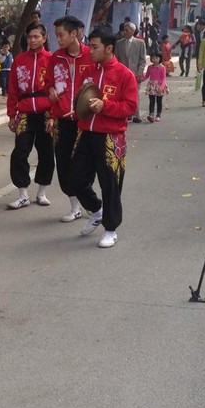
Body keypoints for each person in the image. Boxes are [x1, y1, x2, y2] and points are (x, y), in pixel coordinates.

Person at [71, 26, 138, 248]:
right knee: (75, 179)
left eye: (95, 46)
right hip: (86, 133)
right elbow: (81, 97)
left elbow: (130, 107)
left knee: (110, 184)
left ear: (109, 48)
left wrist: (105, 105)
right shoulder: (88, 71)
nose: (90, 50)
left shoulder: (124, 75)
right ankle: (97, 210)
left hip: (110, 137)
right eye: (90, 45)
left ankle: (111, 229)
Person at [44, 15, 94, 223]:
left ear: (74, 33)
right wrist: (51, 90)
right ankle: (74, 206)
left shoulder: (91, 56)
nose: (58, 39)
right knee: (63, 163)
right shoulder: (56, 58)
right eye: (56, 35)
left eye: (61, 34)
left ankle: (89, 203)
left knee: (85, 164)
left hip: (86, 120)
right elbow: (47, 83)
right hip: (63, 119)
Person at [6, 22, 54, 210]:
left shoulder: (52, 60)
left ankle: (41, 192)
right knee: (20, 152)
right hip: (25, 111)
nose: (33, 40)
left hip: (46, 112)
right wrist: (11, 114)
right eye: (29, 37)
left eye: (36, 36)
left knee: (46, 152)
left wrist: (54, 115)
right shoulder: (19, 60)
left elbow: (59, 89)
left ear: (44, 38)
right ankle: (22, 194)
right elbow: (13, 89)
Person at [114, 22, 145, 123]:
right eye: (124, 30)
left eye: (127, 30)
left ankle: (137, 115)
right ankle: (128, 114)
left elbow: (142, 60)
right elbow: (116, 59)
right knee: (123, 94)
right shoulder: (119, 43)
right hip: (122, 74)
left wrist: (139, 73)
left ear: (132, 31)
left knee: (135, 94)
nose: (125, 32)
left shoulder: (140, 43)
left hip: (135, 74)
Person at [140, 51, 169, 122]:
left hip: (159, 86)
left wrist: (161, 87)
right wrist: (140, 79)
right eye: (153, 58)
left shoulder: (162, 68)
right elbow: (147, 76)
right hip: (151, 86)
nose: (154, 59)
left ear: (160, 58)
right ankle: (151, 115)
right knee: (151, 101)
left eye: (156, 58)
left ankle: (158, 115)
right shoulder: (150, 67)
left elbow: (163, 78)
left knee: (159, 101)